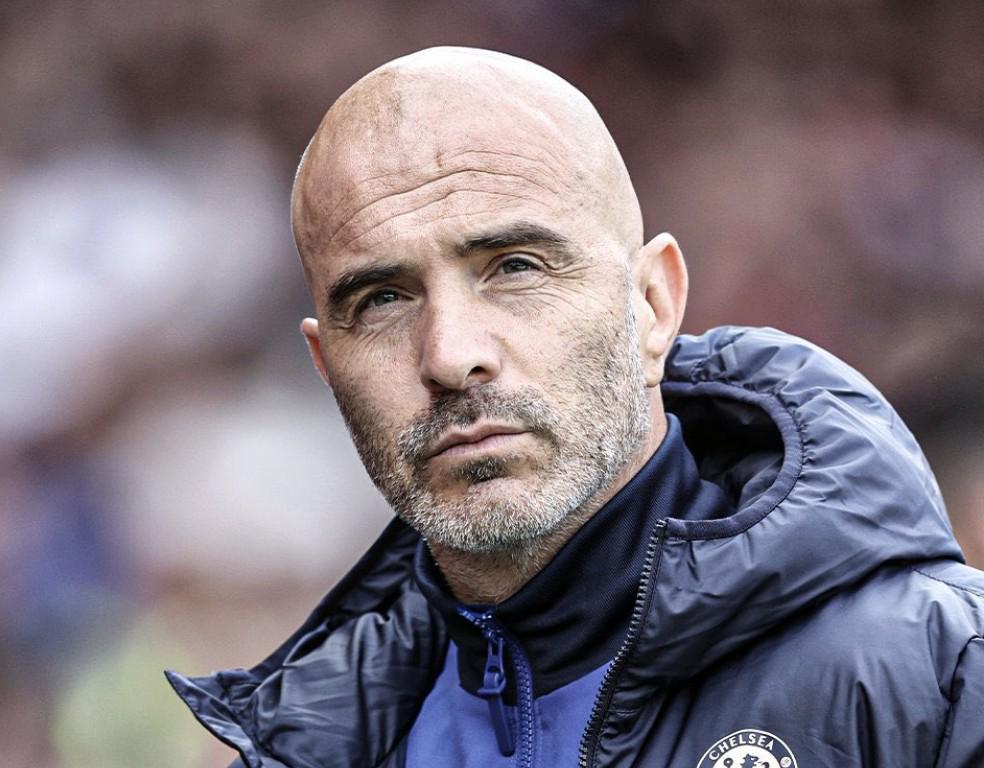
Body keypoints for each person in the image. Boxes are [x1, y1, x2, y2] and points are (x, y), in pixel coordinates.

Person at [167, 47, 984, 767]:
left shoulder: (941, 680)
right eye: (381, 299)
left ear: (654, 306)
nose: (450, 355)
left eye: (515, 266)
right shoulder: (306, 750)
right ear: (326, 366)